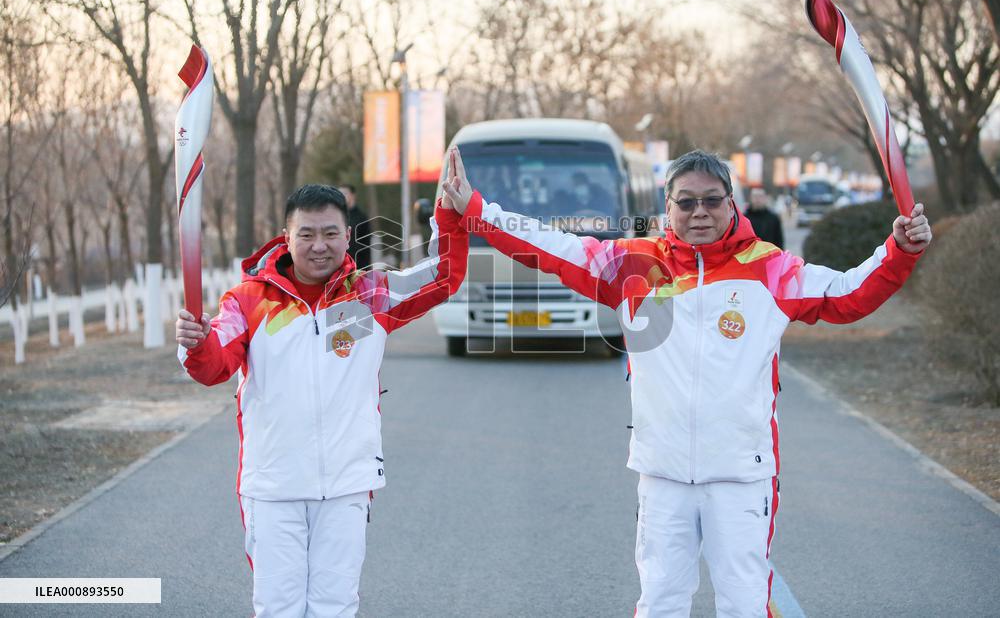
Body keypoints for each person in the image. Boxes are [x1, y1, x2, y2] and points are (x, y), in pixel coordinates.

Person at [441, 148, 931, 618]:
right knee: (662, 605)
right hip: (664, 475)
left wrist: (898, 251)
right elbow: (548, 247)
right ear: (667, 206)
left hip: (740, 476)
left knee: (743, 606)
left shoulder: (771, 268)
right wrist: (476, 210)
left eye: (712, 200)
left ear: (731, 202)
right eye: (687, 201)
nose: (701, 212)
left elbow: (848, 295)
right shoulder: (632, 266)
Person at [176, 155, 469, 617]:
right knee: (279, 608)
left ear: (347, 236)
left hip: (347, 484)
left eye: (330, 233)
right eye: (306, 234)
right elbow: (213, 365)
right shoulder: (247, 302)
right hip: (273, 488)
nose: (319, 246)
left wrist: (452, 213)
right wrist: (195, 345)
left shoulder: (371, 295)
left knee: (335, 608)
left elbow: (444, 274)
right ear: (287, 238)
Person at [337, 182, 372, 270]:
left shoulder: (362, 218)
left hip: (358, 266)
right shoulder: (337, 216)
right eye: (339, 194)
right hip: (340, 266)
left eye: (345, 193)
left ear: (353, 195)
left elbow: (365, 246)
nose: (342, 196)